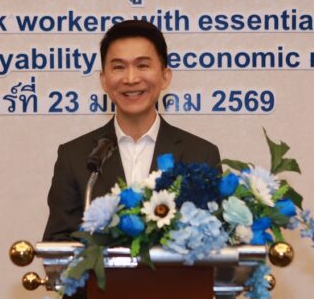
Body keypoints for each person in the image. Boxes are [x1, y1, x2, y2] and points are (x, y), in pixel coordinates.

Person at [43, 20, 221, 240]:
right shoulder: (75, 157)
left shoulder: (201, 154)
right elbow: (57, 244)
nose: (131, 79)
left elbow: (213, 238)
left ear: (165, 76)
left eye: (142, 65)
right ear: (103, 80)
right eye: (119, 67)